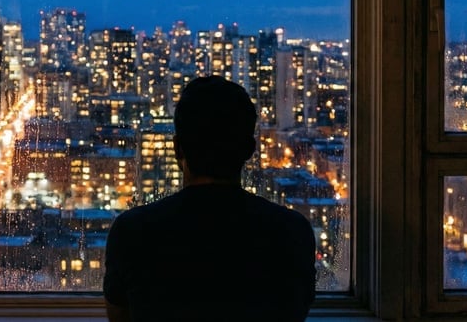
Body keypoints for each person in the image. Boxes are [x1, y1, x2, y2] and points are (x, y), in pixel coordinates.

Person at [103, 76, 317, 321]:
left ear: (177, 149)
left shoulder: (133, 232)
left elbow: (119, 317)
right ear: (250, 150)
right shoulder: (290, 232)